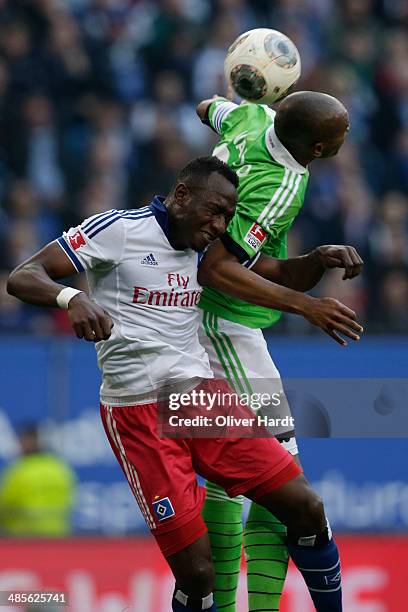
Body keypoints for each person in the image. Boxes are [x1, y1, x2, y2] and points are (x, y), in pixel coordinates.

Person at [7, 156, 361, 612]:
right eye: (214, 211)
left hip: (200, 399)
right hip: (136, 412)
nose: (219, 225)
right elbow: (23, 276)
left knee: (308, 509)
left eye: (228, 216)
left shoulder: (205, 248)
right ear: (181, 196)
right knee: (198, 575)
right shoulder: (118, 229)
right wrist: (71, 296)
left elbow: (274, 273)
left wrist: (315, 261)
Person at [196, 91, 361, 612]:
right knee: (284, 483)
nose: (345, 139)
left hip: (195, 314)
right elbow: (218, 269)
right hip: (221, 323)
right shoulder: (282, 182)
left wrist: (312, 260)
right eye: (340, 134)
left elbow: (208, 107)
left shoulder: (250, 116)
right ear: (317, 147)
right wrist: (306, 306)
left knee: (235, 477)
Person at [0, 424, 76, 536]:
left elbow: (4, 506)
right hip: (59, 536)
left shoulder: (19, 470)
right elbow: (71, 497)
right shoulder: (59, 468)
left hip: (25, 537)